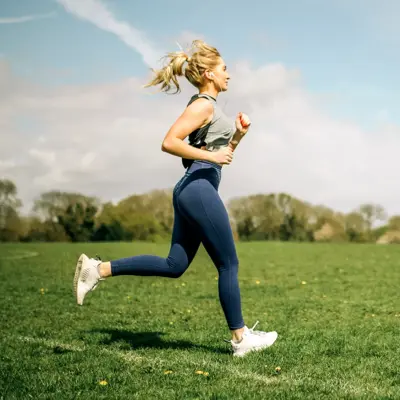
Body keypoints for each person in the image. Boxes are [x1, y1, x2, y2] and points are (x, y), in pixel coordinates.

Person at [73, 40, 278, 357]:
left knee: (175, 265)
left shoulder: (209, 105)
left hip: (193, 188)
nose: (230, 75)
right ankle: (241, 339)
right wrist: (211, 158)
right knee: (228, 264)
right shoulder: (203, 106)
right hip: (198, 189)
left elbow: (221, 156)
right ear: (209, 73)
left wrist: (237, 137)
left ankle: (98, 270)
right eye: (225, 69)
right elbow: (170, 142)